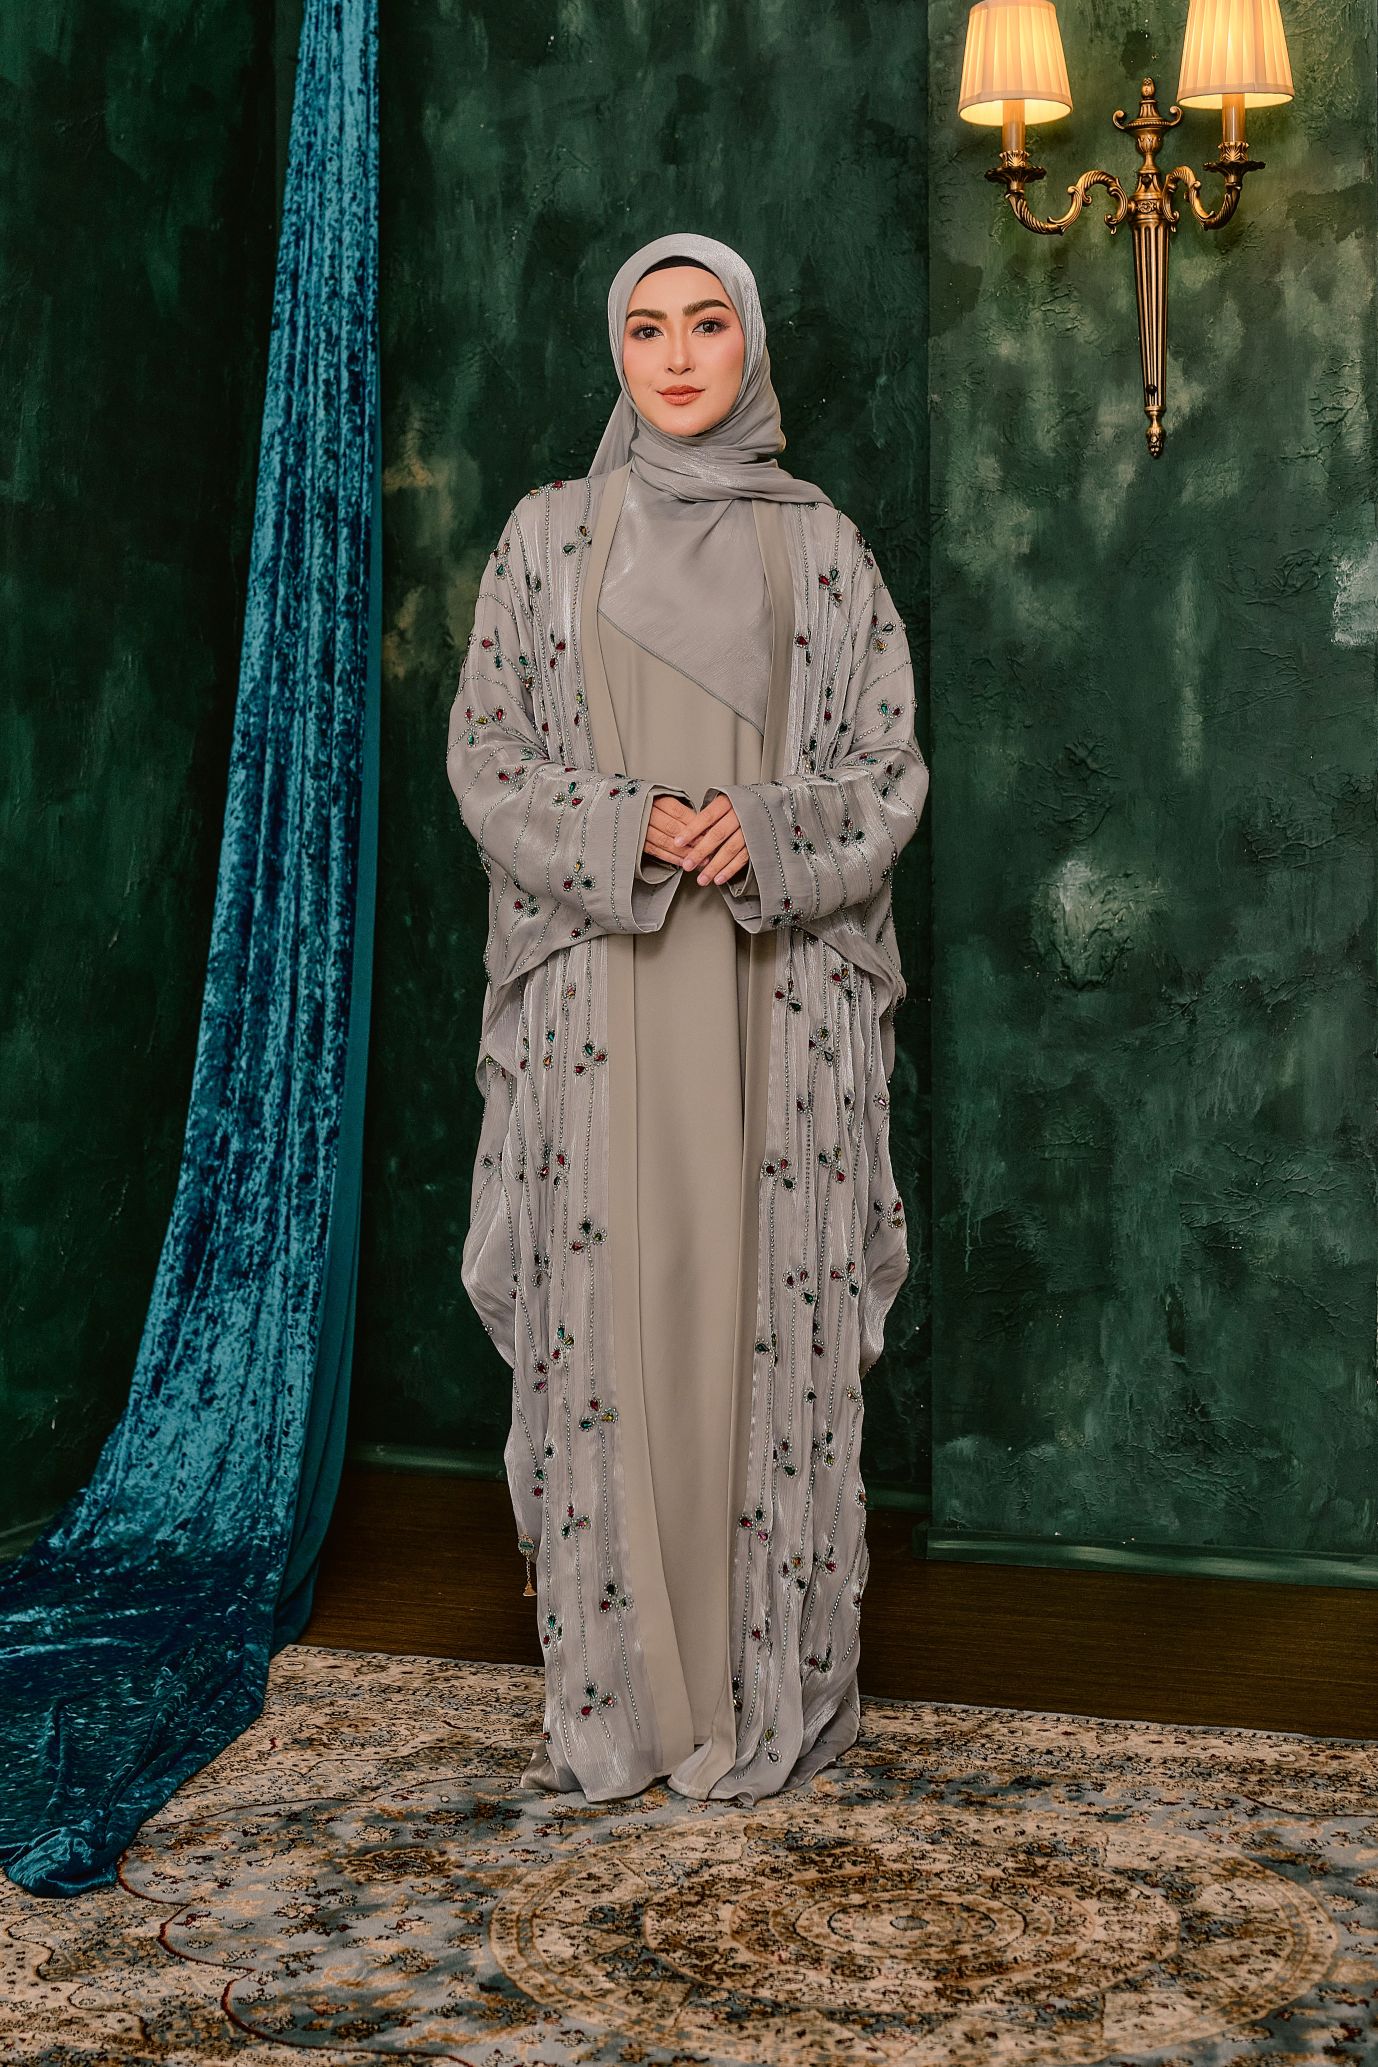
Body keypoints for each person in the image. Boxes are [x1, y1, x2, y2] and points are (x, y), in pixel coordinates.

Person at [447, 230, 929, 1804]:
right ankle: (628, 1702)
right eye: (646, 327)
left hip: (772, 1002)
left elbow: (884, 769)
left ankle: (758, 1683)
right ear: (617, 349)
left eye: (705, 323)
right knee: (618, 1315)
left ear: (748, 344)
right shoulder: (547, 538)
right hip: (602, 993)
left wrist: (766, 830)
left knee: (755, 1316)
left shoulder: (822, 550)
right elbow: (487, 754)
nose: (673, 354)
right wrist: (635, 822)